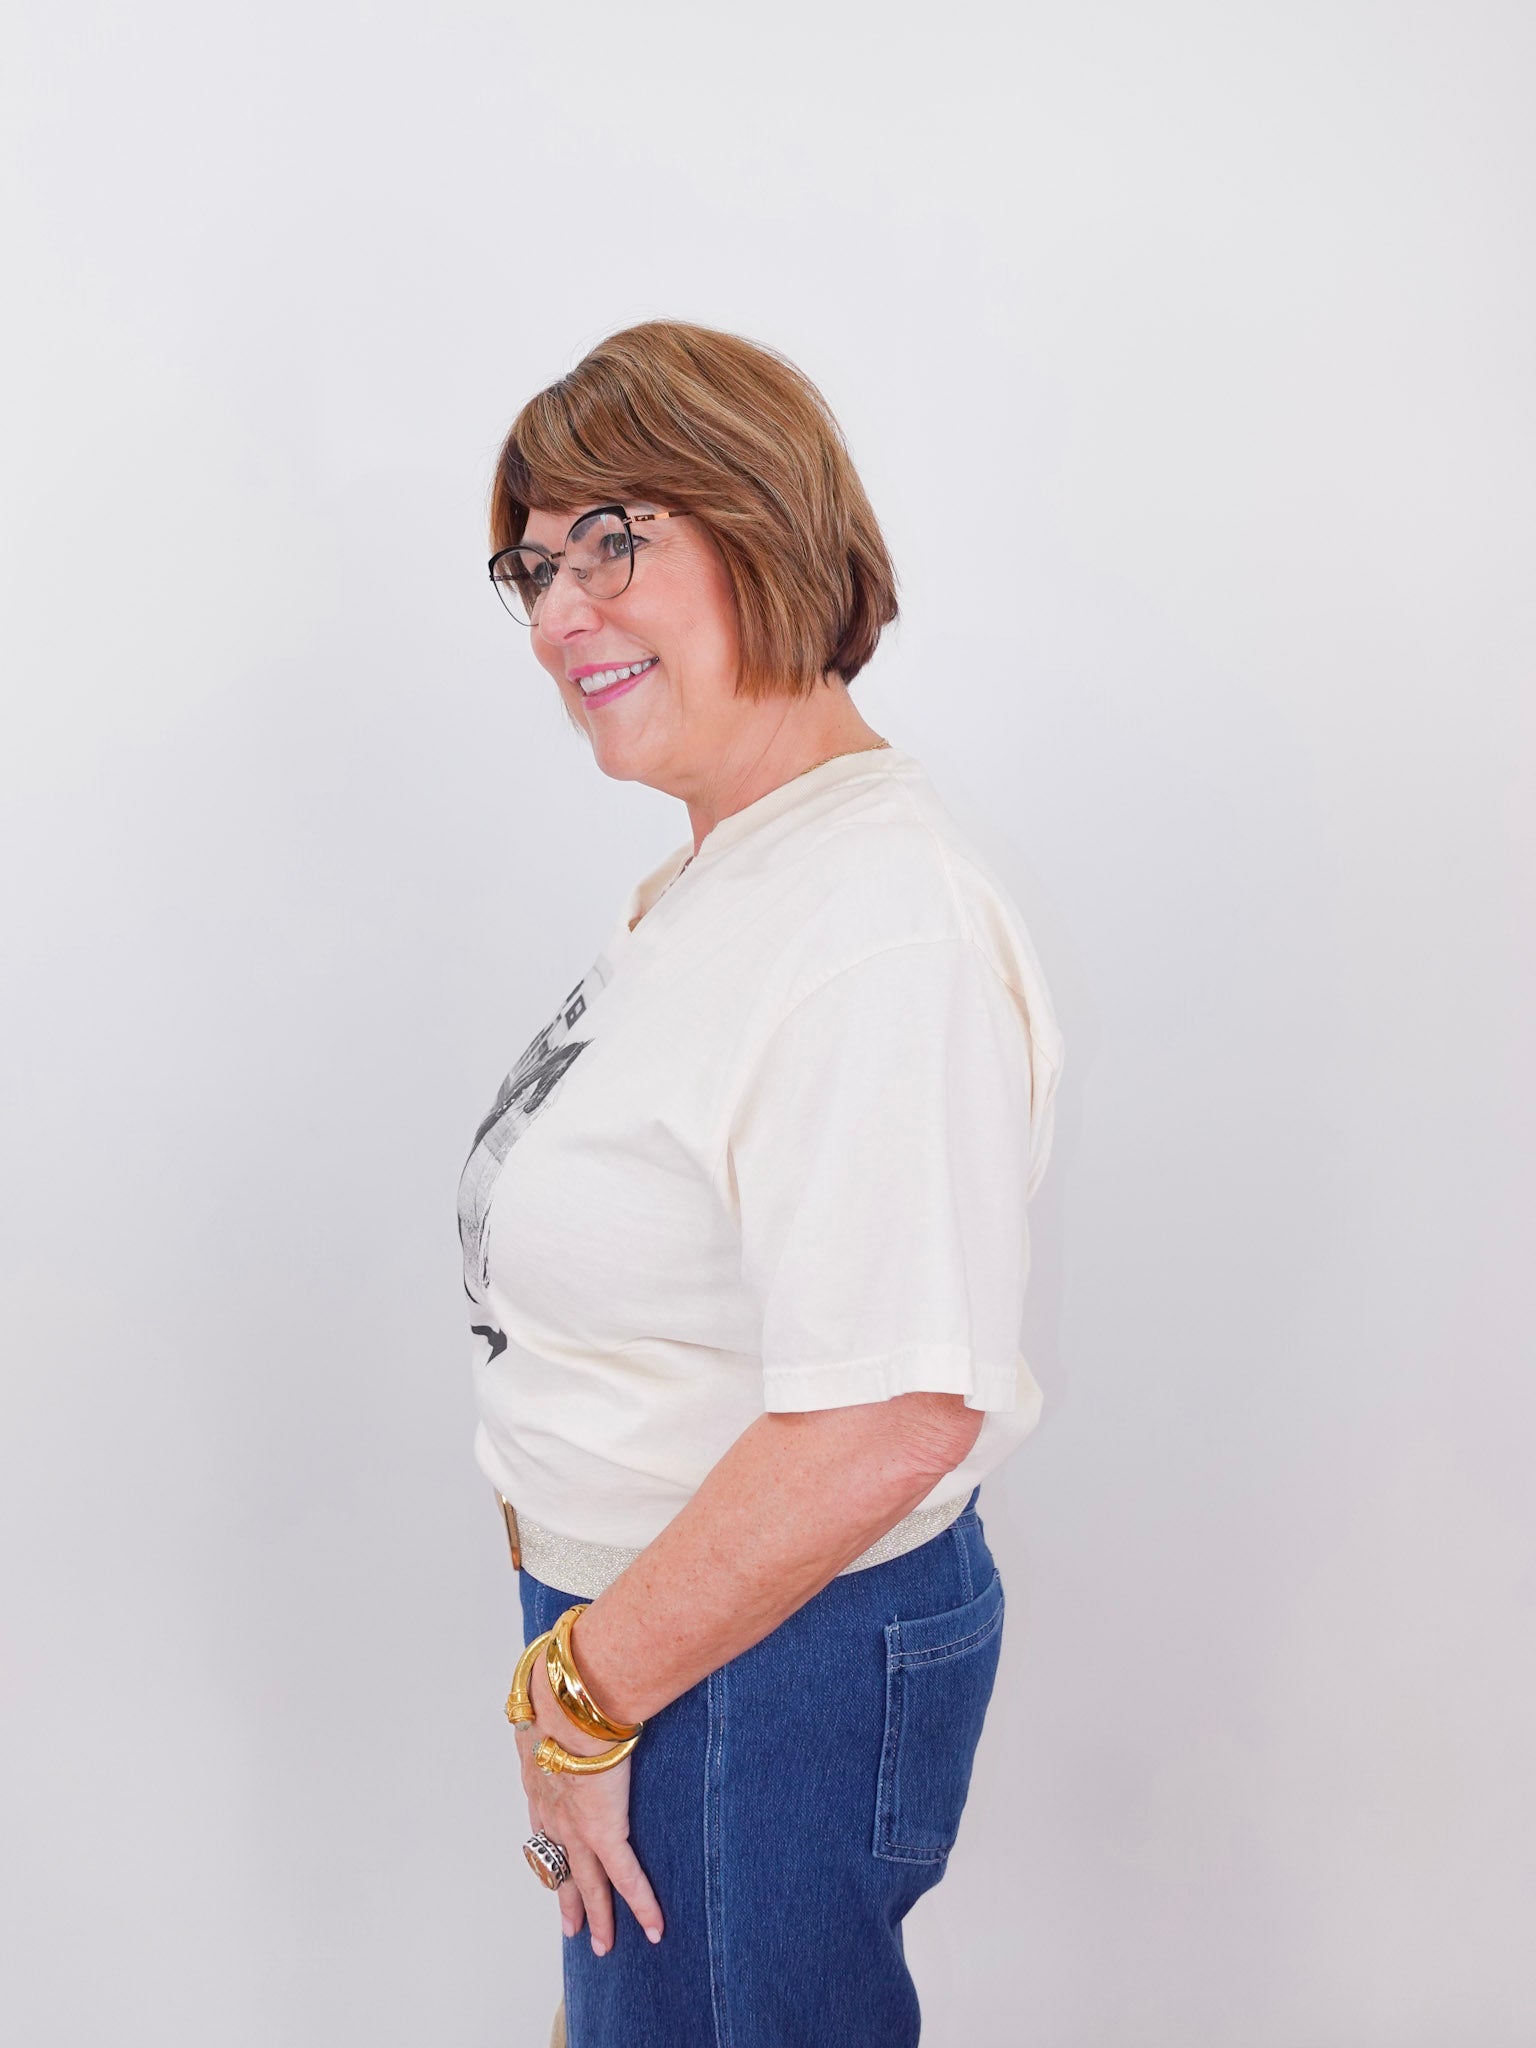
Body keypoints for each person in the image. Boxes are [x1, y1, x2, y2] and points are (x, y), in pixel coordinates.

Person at [457, 319, 1064, 2048]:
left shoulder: (875, 923)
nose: (561, 608)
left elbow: (888, 1415)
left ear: (767, 516)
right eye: (533, 562)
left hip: (749, 1661)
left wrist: (580, 1697)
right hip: (672, 1636)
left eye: (614, 539)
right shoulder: (730, 876)